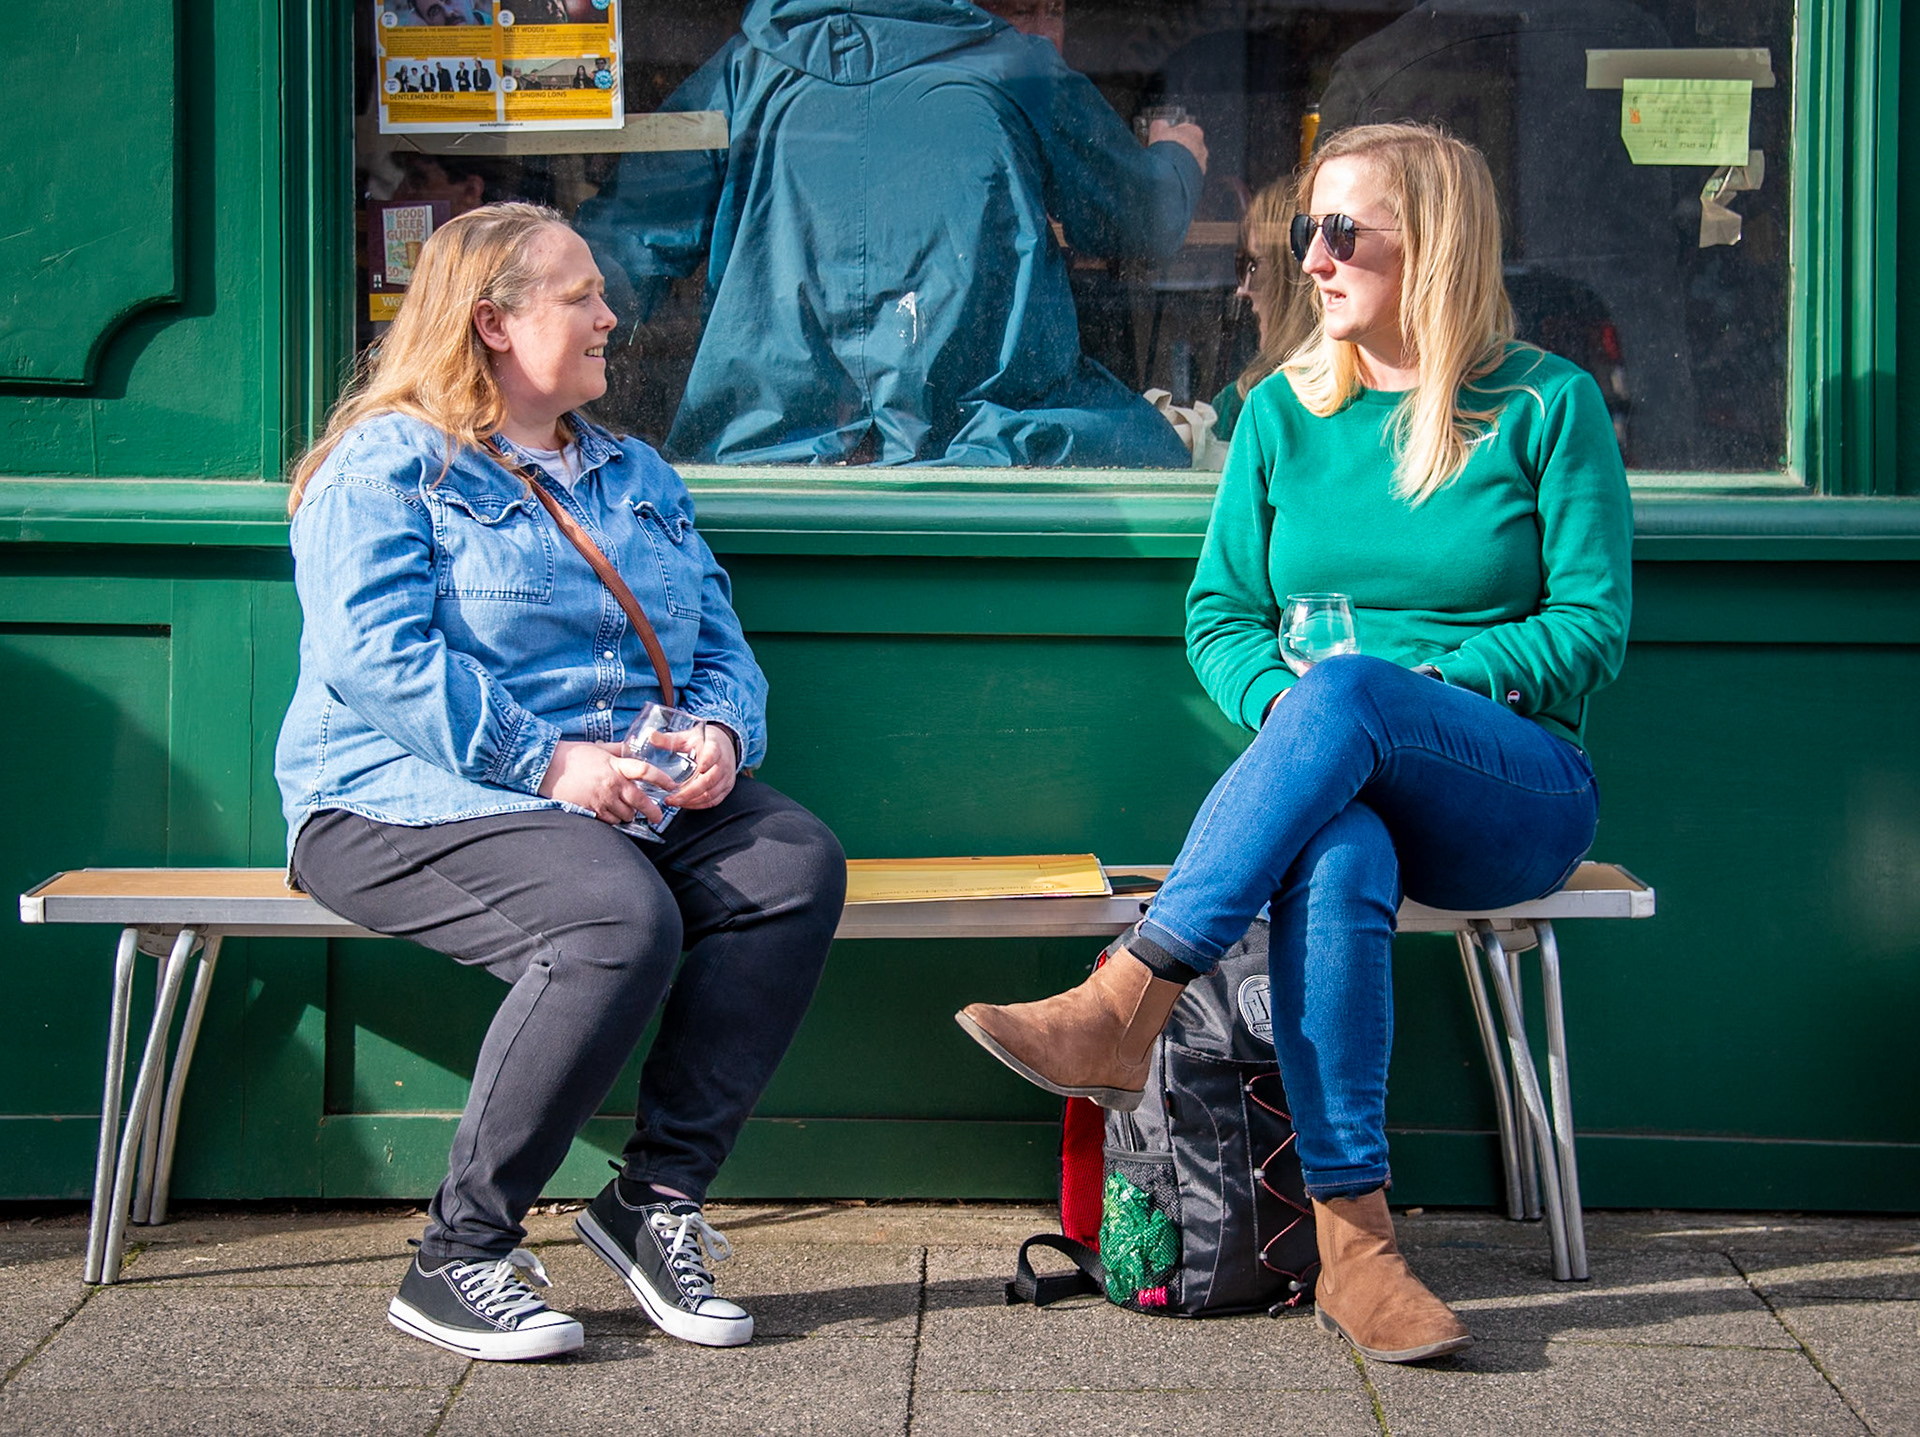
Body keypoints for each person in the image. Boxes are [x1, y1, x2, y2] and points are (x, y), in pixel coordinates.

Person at [956, 123, 1630, 1363]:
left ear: (1429, 247)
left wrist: (1414, 681)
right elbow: (1221, 614)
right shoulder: (1280, 412)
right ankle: (1354, 1248)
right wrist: (1293, 713)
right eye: (1303, 233)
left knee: (1354, 694)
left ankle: (1128, 993)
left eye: (1341, 232)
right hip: (1340, 772)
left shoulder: (1545, 403)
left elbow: (1589, 627)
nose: (1312, 259)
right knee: (1336, 849)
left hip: (1513, 787)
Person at [276, 202, 847, 1362]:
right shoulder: (388, 466)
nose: (610, 316)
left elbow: (720, 640)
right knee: (614, 919)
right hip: (401, 796)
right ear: (491, 323)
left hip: (614, 791)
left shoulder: (634, 474)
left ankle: (653, 1203)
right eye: (581, 296)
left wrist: (720, 740)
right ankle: (458, 1257)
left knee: (791, 864)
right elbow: (377, 659)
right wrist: (545, 763)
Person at [574, 0, 1209, 467]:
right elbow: (1144, 222)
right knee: (1167, 458)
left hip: (761, 462)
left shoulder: (744, 74)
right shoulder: (1016, 71)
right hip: (990, 454)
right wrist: (1179, 159)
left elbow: (623, 252)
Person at [1212, 175, 1315, 443]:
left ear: (1293, 277)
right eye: (1240, 265)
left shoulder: (1250, 401)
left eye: (1253, 266)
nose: (1242, 290)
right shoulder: (1370, 391)